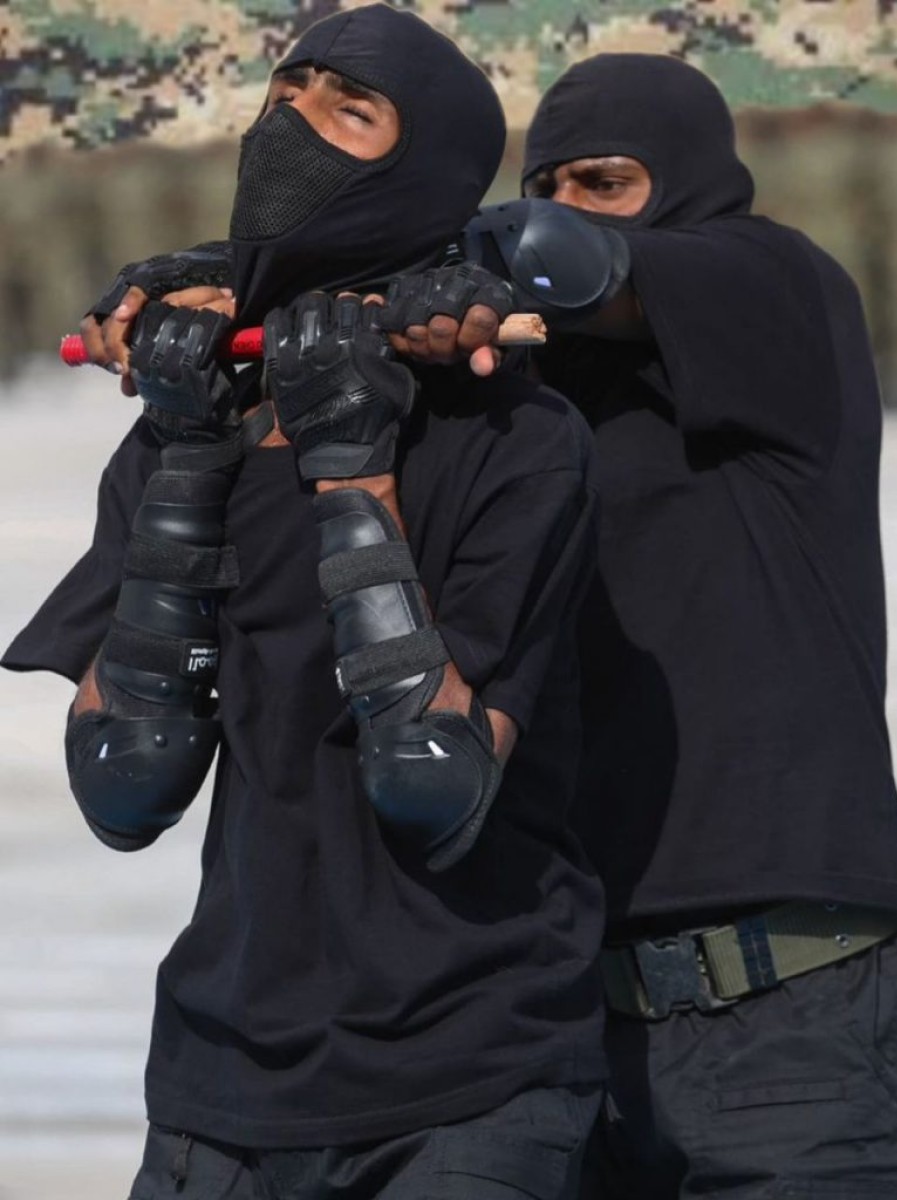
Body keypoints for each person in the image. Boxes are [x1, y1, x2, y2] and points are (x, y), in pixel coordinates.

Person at [72, 48, 897, 1198]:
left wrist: (398, 265)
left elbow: (572, 267)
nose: (566, 208)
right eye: (548, 183)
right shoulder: (493, 400)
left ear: (686, 185)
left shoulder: (772, 293)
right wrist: (237, 285)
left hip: (781, 1007)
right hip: (555, 1015)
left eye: (605, 183)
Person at [2, 8, 607, 1197]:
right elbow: (124, 785)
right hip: (219, 1084)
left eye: (349, 111)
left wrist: (352, 470)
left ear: (423, 167)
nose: (295, 126)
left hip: (466, 1087)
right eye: (290, 92)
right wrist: (184, 467)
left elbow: (433, 780)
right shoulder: (190, 420)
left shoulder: (518, 438)